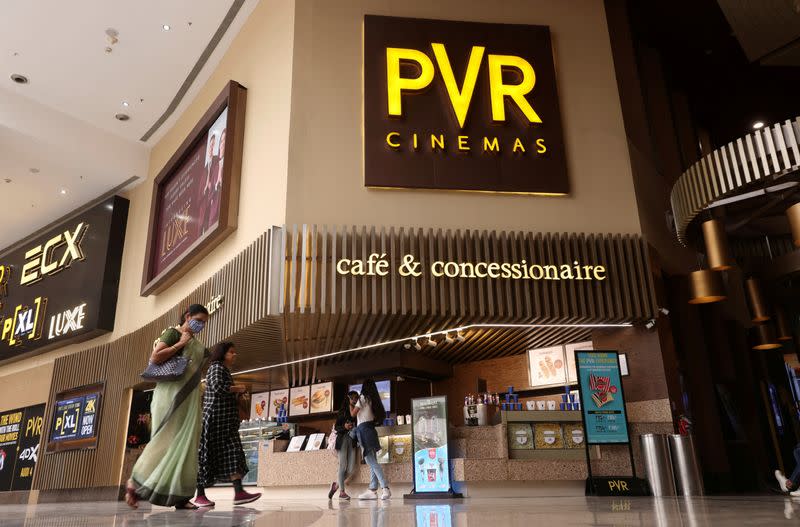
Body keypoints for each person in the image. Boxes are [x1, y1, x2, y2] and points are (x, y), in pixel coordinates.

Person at [125, 304, 210, 510]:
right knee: (164, 441)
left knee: (186, 445)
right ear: (187, 316)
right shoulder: (173, 333)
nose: (200, 325)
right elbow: (155, 357)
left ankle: (180, 497)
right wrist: (180, 343)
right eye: (197, 320)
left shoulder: (198, 344)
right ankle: (134, 483)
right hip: (169, 398)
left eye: (204, 323)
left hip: (190, 400)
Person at [194, 342, 261, 507]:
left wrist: (236, 393)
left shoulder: (223, 369)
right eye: (231, 352)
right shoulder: (216, 367)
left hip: (226, 423)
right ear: (222, 353)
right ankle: (200, 494)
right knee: (206, 456)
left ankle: (239, 493)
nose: (234, 355)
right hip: (215, 421)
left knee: (233, 454)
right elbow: (218, 387)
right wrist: (237, 388)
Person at [351, 379, 390, 500]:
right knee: (372, 460)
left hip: (363, 431)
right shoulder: (374, 400)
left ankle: (385, 488)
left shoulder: (363, 397)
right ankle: (373, 489)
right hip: (371, 430)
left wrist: (351, 402)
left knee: (371, 461)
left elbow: (353, 414)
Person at [328, 391, 359, 501]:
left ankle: (336, 485)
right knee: (342, 466)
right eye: (352, 398)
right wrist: (345, 426)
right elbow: (336, 428)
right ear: (348, 398)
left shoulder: (356, 411)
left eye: (356, 398)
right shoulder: (342, 412)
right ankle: (341, 492)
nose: (354, 400)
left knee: (350, 469)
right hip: (342, 440)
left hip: (352, 440)